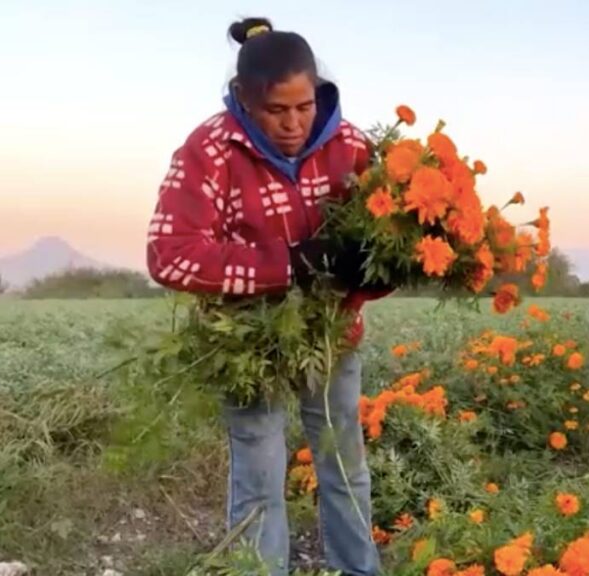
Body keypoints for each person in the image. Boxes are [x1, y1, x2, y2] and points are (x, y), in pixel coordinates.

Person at [145, 17, 384, 576]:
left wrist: (373, 273)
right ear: (246, 101)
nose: (294, 124)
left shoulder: (350, 147)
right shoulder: (209, 151)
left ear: (317, 92)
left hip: (331, 337)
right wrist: (293, 263)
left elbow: (380, 241)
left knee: (345, 470)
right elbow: (170, 253)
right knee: (259, 479)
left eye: (303, 106)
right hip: (249, 344)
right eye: (277, 111)